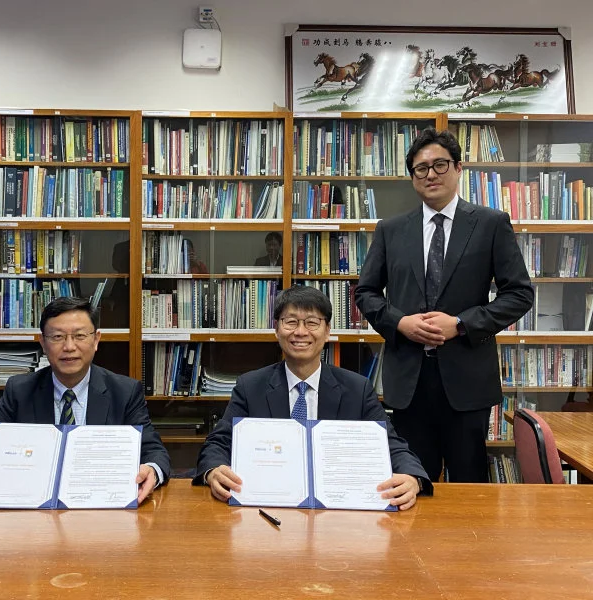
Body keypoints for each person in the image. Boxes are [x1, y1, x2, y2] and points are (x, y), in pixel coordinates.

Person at [355, 128, 534, 483]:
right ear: (412, 177)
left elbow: (519, 294)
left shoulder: (490, 224)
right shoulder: (391, 229)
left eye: (440, 164)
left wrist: (461, 324)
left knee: (470, 484)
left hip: (467, 379)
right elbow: (366, 293)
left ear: (458, 168)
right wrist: (400, 322)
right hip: (409, 380)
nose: (431, 174)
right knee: (411, 481)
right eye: (421, 168)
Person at [194, 286, 431, 510]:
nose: (300, 332)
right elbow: (218, 443)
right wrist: (213, 470)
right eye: (291, 322)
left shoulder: (357, 389)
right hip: (269, 506)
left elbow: (392, 445)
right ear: (277, 329)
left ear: (327, 331)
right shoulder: (250, 386)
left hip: (338, 513)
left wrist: (412, 478)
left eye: (312, 323)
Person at [0, 297, 170, 504]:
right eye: (57, 337)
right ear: (43, 343)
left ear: (96, 340)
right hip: (35, 515)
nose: (69, 347)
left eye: (80, 336)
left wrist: (151, 469)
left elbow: (154, 451)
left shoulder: (124, 391)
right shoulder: (20, 391)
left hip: (100, 510)